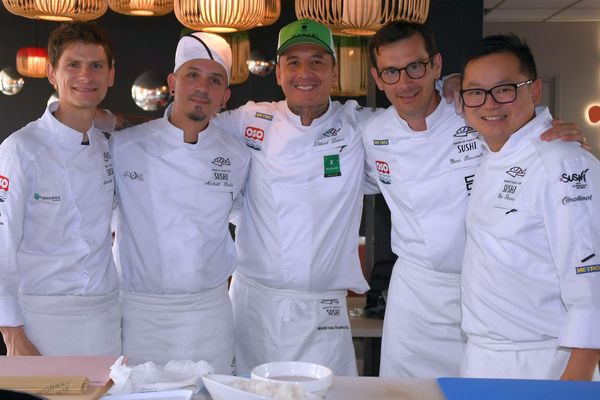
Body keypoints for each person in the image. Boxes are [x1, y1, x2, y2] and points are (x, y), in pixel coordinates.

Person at [363, 21, 588, 378]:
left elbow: (524, 143)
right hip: (414, 295)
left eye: (415, 67)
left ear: (435, 66)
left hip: (483, 292)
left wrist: (558, 137)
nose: (404, 82)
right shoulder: (372, 133)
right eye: (391, 71)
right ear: (378, 79)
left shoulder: (470, 113)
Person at [213, 19, 382, 376]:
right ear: (278, 73)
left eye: (317, 61)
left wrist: (450, 88)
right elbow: (188, 127)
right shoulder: (249, 120)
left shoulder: (358, 125)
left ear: (334, 71)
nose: (305, 72)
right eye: (293, 62)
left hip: (325, 309)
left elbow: (418, 120)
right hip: (254, 305)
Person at [459, 33, 600, 380]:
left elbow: (591, 281)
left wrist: (576, 380)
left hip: (544, 364)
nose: (489, 104)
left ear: (534, 90)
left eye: (505, 89)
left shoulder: (562, 162)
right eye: (476, 92)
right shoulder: (491, 153)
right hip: (484, 357)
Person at [110, 32, 249, 372]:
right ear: (173, 83)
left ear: (225, 96)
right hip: (138, 312)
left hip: (208, 315)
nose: (202, 87)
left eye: (214, 80)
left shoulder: (237, 156)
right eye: (192, 75)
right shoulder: (125, 147)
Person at [0, 22, 120, 356]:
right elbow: (1, 246)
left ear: (111, 75)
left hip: (105, 317)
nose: (86, 75)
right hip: (41, 321)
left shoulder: (108, 147)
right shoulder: (20, 149)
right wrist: (12, 336)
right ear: (52, 74)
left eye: (96, 65)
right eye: (73, 65)